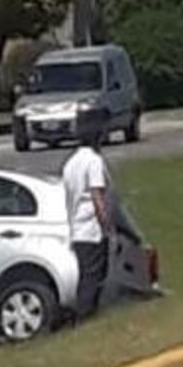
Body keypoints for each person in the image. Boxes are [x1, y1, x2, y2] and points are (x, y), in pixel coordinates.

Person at [61, 122, 114, 320]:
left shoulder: (71, 163)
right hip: (92, 230)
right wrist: (107, 225)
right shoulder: (94, 161)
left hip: (76, 229)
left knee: (86, 276)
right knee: (93, 279)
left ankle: (85, 315)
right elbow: (97, 197)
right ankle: (85, 318)